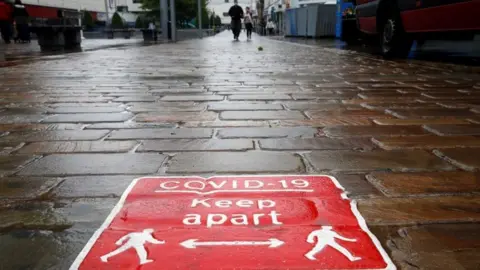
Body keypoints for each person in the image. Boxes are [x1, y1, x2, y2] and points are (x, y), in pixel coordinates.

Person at [100, 228, 165, 265]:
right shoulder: (148, 236)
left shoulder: (136, 233)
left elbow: (127, 236)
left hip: (131, 243)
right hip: (137, 244)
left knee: (119, 250)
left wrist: (120, 241)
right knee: (142, 252)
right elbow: (153, 241)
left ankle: (105, 256)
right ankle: (143, 260)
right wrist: (161, 242)